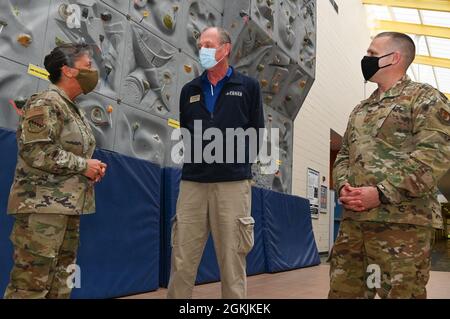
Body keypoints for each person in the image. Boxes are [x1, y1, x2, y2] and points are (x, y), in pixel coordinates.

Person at [329, 32, 450, 299]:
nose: (366, 59)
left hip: (402, 225)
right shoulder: (361, 109)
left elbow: (434, 157)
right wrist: (344, 188)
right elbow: (345, 154)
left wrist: (381, 193)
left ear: (393, 58)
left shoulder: (424, 98)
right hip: (354, 224)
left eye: (372, 54)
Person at [167, 27, 265, 299]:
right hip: (193, 184)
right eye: (200, 45)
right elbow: (186, 132)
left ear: (226, 48)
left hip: (233, 185)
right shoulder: (189, 90)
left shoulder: (248, 87)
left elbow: (256, 131)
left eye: (209, 44)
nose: (203, 50)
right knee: (183, 258)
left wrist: (235, 163)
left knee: (232, 260)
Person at [4, 43, 107, 299]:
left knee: (61, 284)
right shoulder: (45, 102)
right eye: (88, 66)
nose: (93, 72)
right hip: (41, 211)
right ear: (68, 71)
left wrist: (90, 169)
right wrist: (85, 165)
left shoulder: (73, 109)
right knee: (30, 287)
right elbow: (36, 152)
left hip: (68, 209)